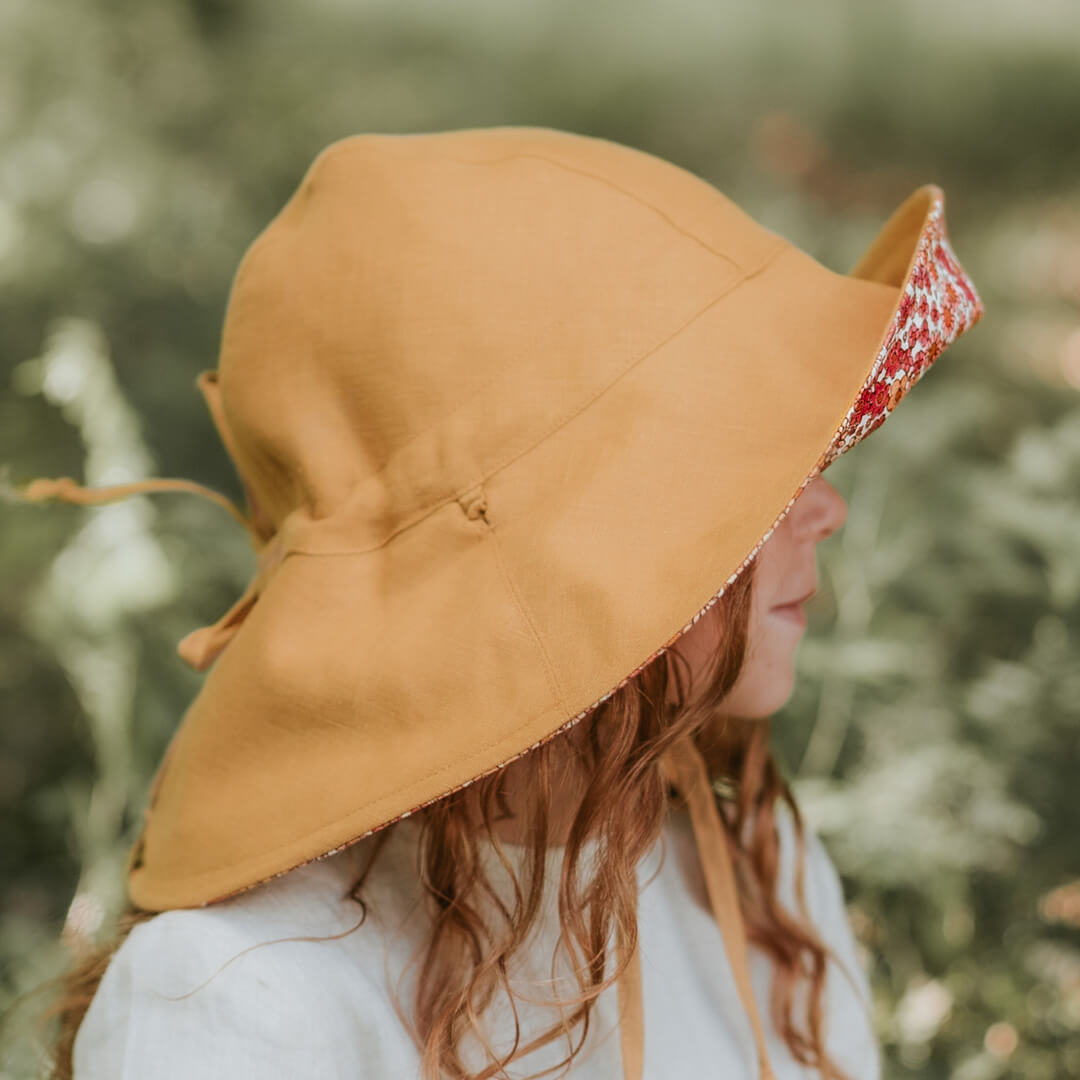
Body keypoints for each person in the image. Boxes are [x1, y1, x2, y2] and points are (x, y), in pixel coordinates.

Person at [15, 125, 984, 1080]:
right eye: (745, 466)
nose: (828, 507)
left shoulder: (757, 878)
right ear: (564, 549)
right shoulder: (245, 999)